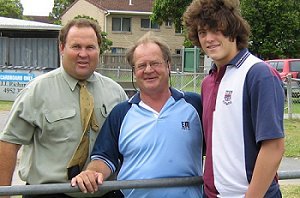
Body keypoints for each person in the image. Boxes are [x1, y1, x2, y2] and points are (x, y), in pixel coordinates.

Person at [0, 18, 128, 198]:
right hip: (50, 193)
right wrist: (4, 194)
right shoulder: (37, 91)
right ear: (62, 48)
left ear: (100, 49)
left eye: (90, 47)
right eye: (76, 46)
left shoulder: (116, 93)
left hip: (104, 193)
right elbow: (9, 143)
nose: (83, 54)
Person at [71, 32, 204, 198]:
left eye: (155, 63)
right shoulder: (121, 113)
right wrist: (91, 172)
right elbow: (104, 158)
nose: (148, 70)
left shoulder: (195, 105)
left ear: (168, 65)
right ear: (134, 71)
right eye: (141, 66)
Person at [183, 0, 285, 197]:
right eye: (202, 32)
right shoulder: (207, 83)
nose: (209, 38)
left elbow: (274, 147)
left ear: (232, 29)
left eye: (216, 30)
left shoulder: (259, 74)